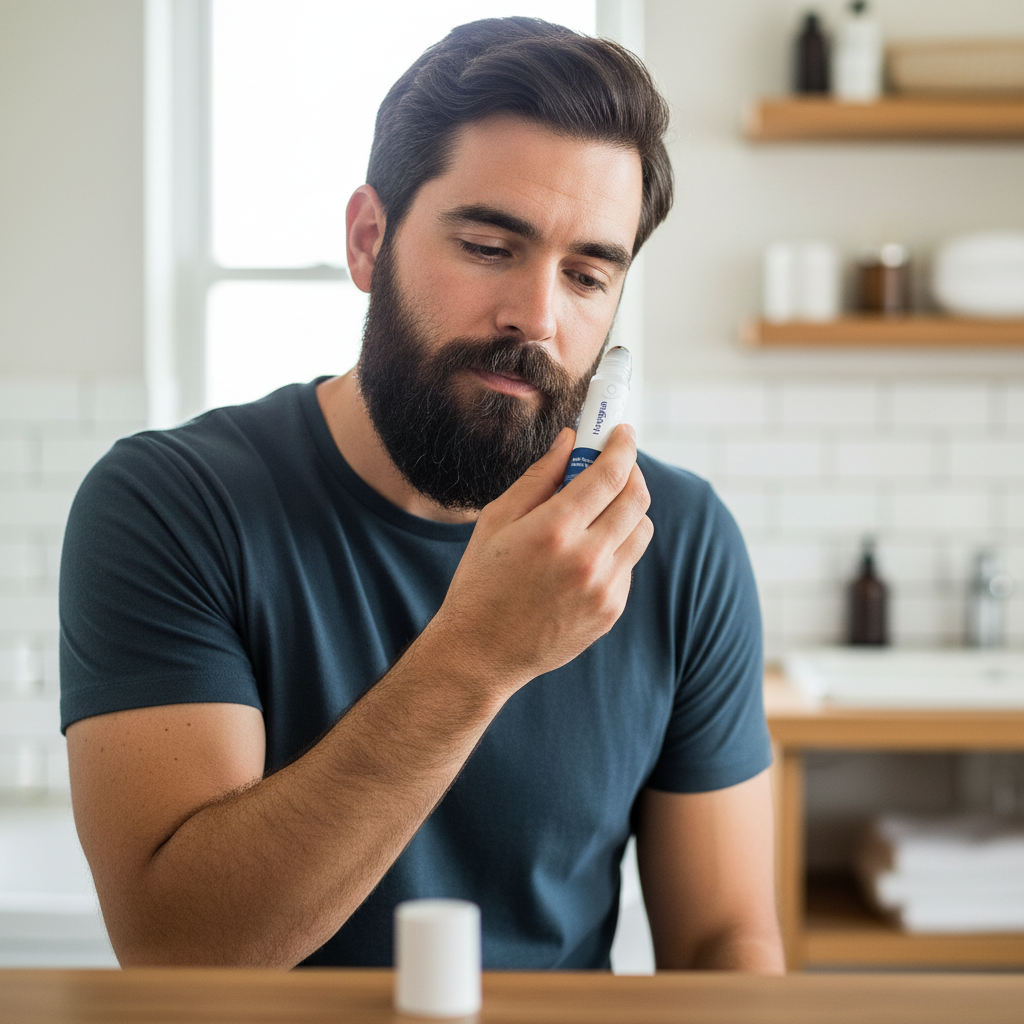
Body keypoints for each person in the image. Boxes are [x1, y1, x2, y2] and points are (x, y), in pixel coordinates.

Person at [60, 17, 784, 973]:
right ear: (369, 241)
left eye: (587, 273)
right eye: (490, 245)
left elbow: (725, 937)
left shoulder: (675, 541)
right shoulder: (169, 505)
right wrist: (479, 654)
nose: (537, 314)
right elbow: (179, 950)